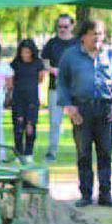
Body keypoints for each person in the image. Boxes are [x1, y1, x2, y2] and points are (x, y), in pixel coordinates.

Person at [57, 19, 112, 207]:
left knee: (105, 153)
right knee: (83, 153)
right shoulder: (70, 55)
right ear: (84, 35)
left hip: (105, 109)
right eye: (94, 33)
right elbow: (62, 82)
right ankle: (85, 195)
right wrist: (69, 106)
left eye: (100, 33)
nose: (97, 37)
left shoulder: (110, 55)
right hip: (81, 109)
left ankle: (105, 195)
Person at [42, 14, 77, 162]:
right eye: (60, 26)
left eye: (65, 26)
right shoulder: (51, 43)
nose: (62, 29)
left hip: (75, 90)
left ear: (72, 26)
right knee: (55, 122)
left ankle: (81, 151)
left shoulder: (77, 43)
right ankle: (52, 151)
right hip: (55, 89)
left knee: (78, 120)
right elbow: (44, 61)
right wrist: (52, 70)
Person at [7, 39, 46, 163]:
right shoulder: (15, 63)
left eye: (28, 52)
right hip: (18, 98)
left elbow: (40, 79)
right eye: (23, 52)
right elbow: (11, 80)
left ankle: (29, 153)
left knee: (30, 126)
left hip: (32, 99)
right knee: (18, 127)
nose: (25, 55)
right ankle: (19, 153)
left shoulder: (38, 63)